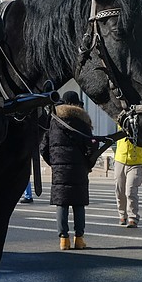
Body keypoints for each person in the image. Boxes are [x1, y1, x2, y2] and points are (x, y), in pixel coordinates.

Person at [40, 91, 95, 249]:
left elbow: (43, 147)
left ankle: (63, 239)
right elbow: (90, 146)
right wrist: (88, 165)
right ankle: (79, 238)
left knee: (61, 204)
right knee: (79, 204)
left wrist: (54, 163)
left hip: (59, 170)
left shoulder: (53, 120)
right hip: (79, 169)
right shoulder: (83, 121)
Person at [113, 136, 142, 227]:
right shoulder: (123, 123)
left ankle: (132, 218)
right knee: (119, 191)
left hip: (136, 162)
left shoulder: (141, 124)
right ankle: (122, 215)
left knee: (130, 191)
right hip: (120, 159)